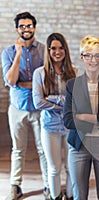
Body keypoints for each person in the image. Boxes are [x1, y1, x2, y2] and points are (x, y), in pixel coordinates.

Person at [63, 35, 99, 200]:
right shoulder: (72, 85)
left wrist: (84, 116)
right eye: (88, 55)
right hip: (79, 146)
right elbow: (68, 120)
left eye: (97, 55)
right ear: (82, 57)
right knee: (79, 194)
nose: (93, 60)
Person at [1, 11, 49, 199]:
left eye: (29, 25)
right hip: (17, 107)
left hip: (39, 107)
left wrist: (23, 84)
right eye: (22, 26)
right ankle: (15, 185)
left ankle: (48, 185)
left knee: (43, 149)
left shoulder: (44, 51)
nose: (26, 29)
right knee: (18, 149)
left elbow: (47, 81)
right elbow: (11, 80)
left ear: (34, 28)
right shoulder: (8, 53)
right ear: (17, 29)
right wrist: (19, 53)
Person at [32, 33, 76, 200]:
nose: (57, 52)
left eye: (61, 48)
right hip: (49, 127)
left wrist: (51, 98)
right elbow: (38, 103)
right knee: (54, 168)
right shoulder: (40, 74)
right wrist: (63, 103)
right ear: (48, 51)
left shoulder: (74, 73)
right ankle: (55, 197)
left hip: (70, 127)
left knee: (71, 167)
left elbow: (77, 102)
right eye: (53, 48)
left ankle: (71, 196)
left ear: (65, 50)